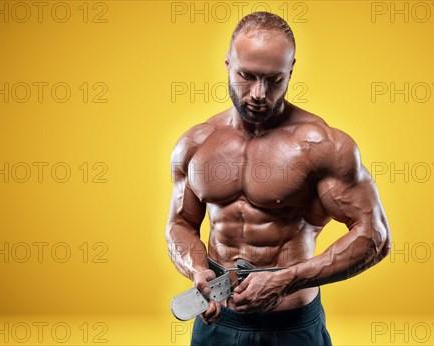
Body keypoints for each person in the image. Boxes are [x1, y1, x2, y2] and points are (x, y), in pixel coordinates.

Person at [165, 11, 391, 346]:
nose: (258, 93)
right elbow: (180, 224)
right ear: (228, 63)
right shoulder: (196, 144)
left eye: (274, 80)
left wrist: (287, 280)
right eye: (248, 76)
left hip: (291, 325)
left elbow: (375, 237)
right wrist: (196, 269)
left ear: (291, 70)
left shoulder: (322, 146)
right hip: (216, 320)